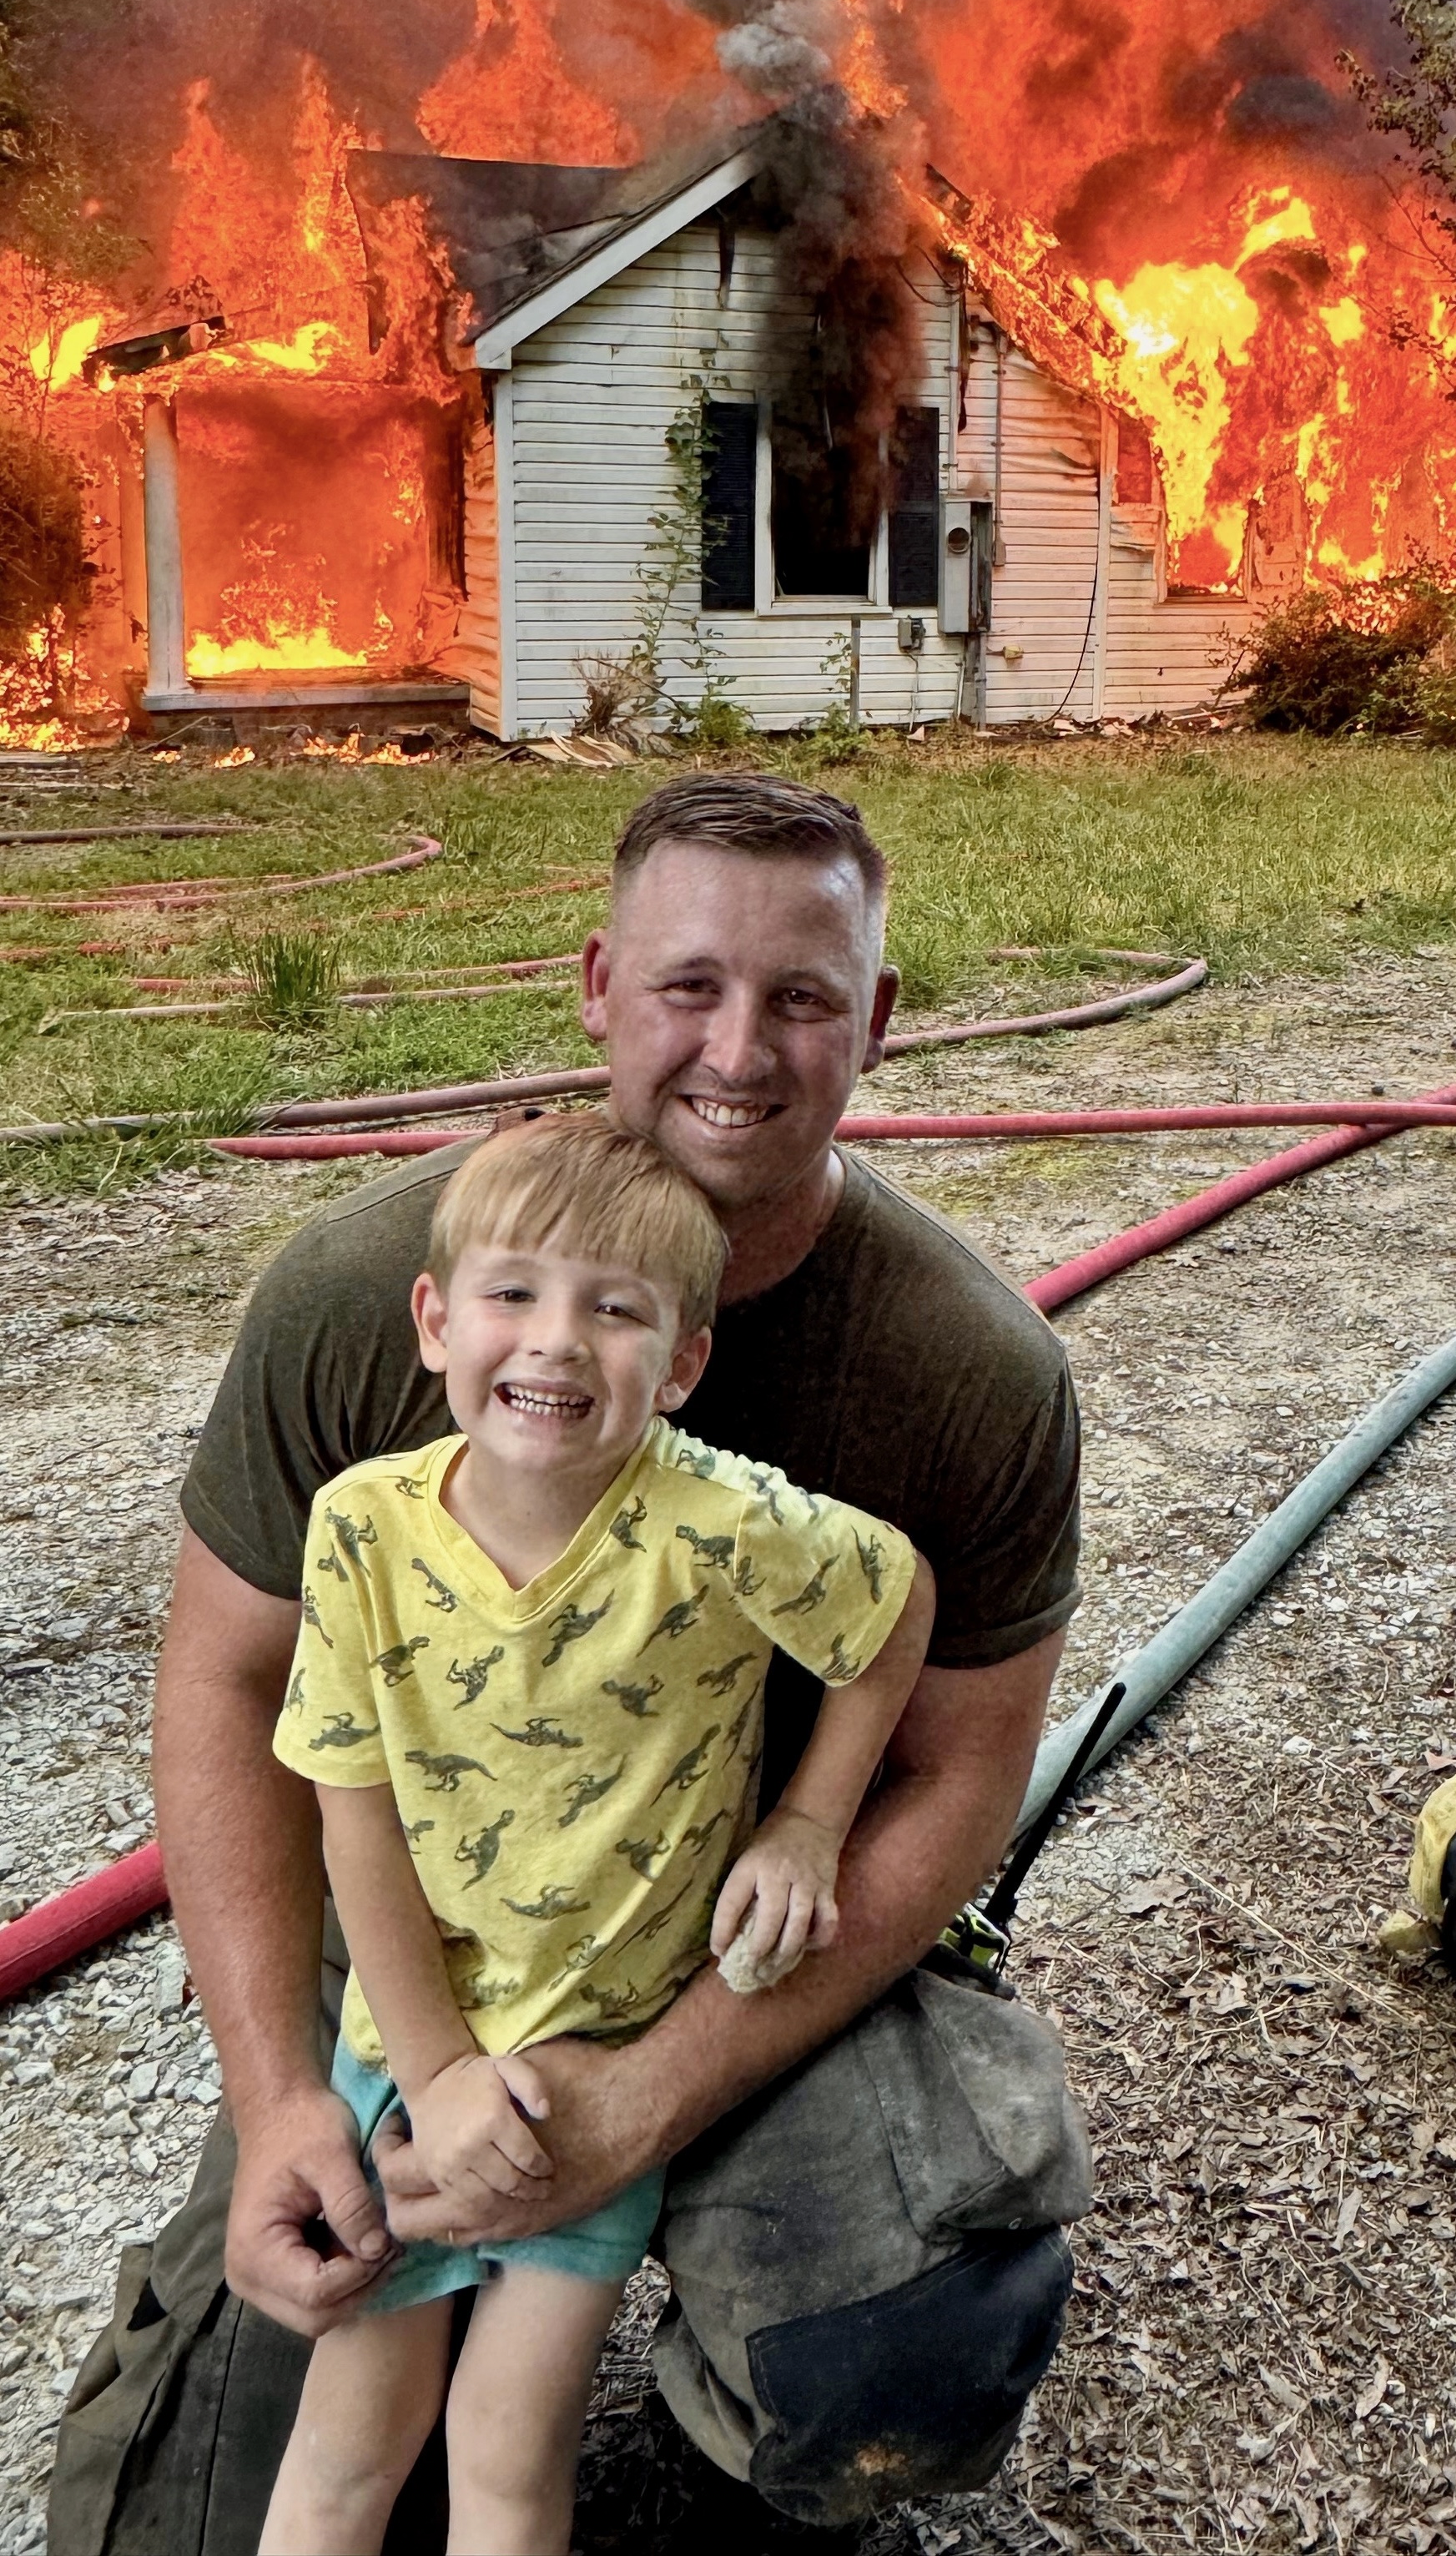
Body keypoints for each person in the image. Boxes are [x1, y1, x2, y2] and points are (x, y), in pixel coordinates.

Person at [52, 773, 1081, 2556]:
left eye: (802, 998)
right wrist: (287, 2097)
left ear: (880, 1021)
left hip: (732, 1944)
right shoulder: (371, 1287)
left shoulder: (973, 1369)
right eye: (689, 986)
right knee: (215, 2516)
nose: (738, 1051)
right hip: (417, 1949)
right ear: (600, 985)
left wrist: (646, 2095)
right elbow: (230, 1690)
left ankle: (720, 2399)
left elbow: (964, 1769)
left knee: (896, 2350)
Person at [260, 1112, 932, 2556]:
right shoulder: (361, 1529)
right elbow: (351, 1812)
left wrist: (813, 1823)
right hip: (406, 2064)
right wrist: (433, 2070)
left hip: (605, 2071)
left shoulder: (720, 1521)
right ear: (435, 1321)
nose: (555, 1342)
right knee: (344, 2449)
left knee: (509, 2458)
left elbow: (894, 1604)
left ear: (682, 1361)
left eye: (614, 1308)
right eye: (512, 1294)